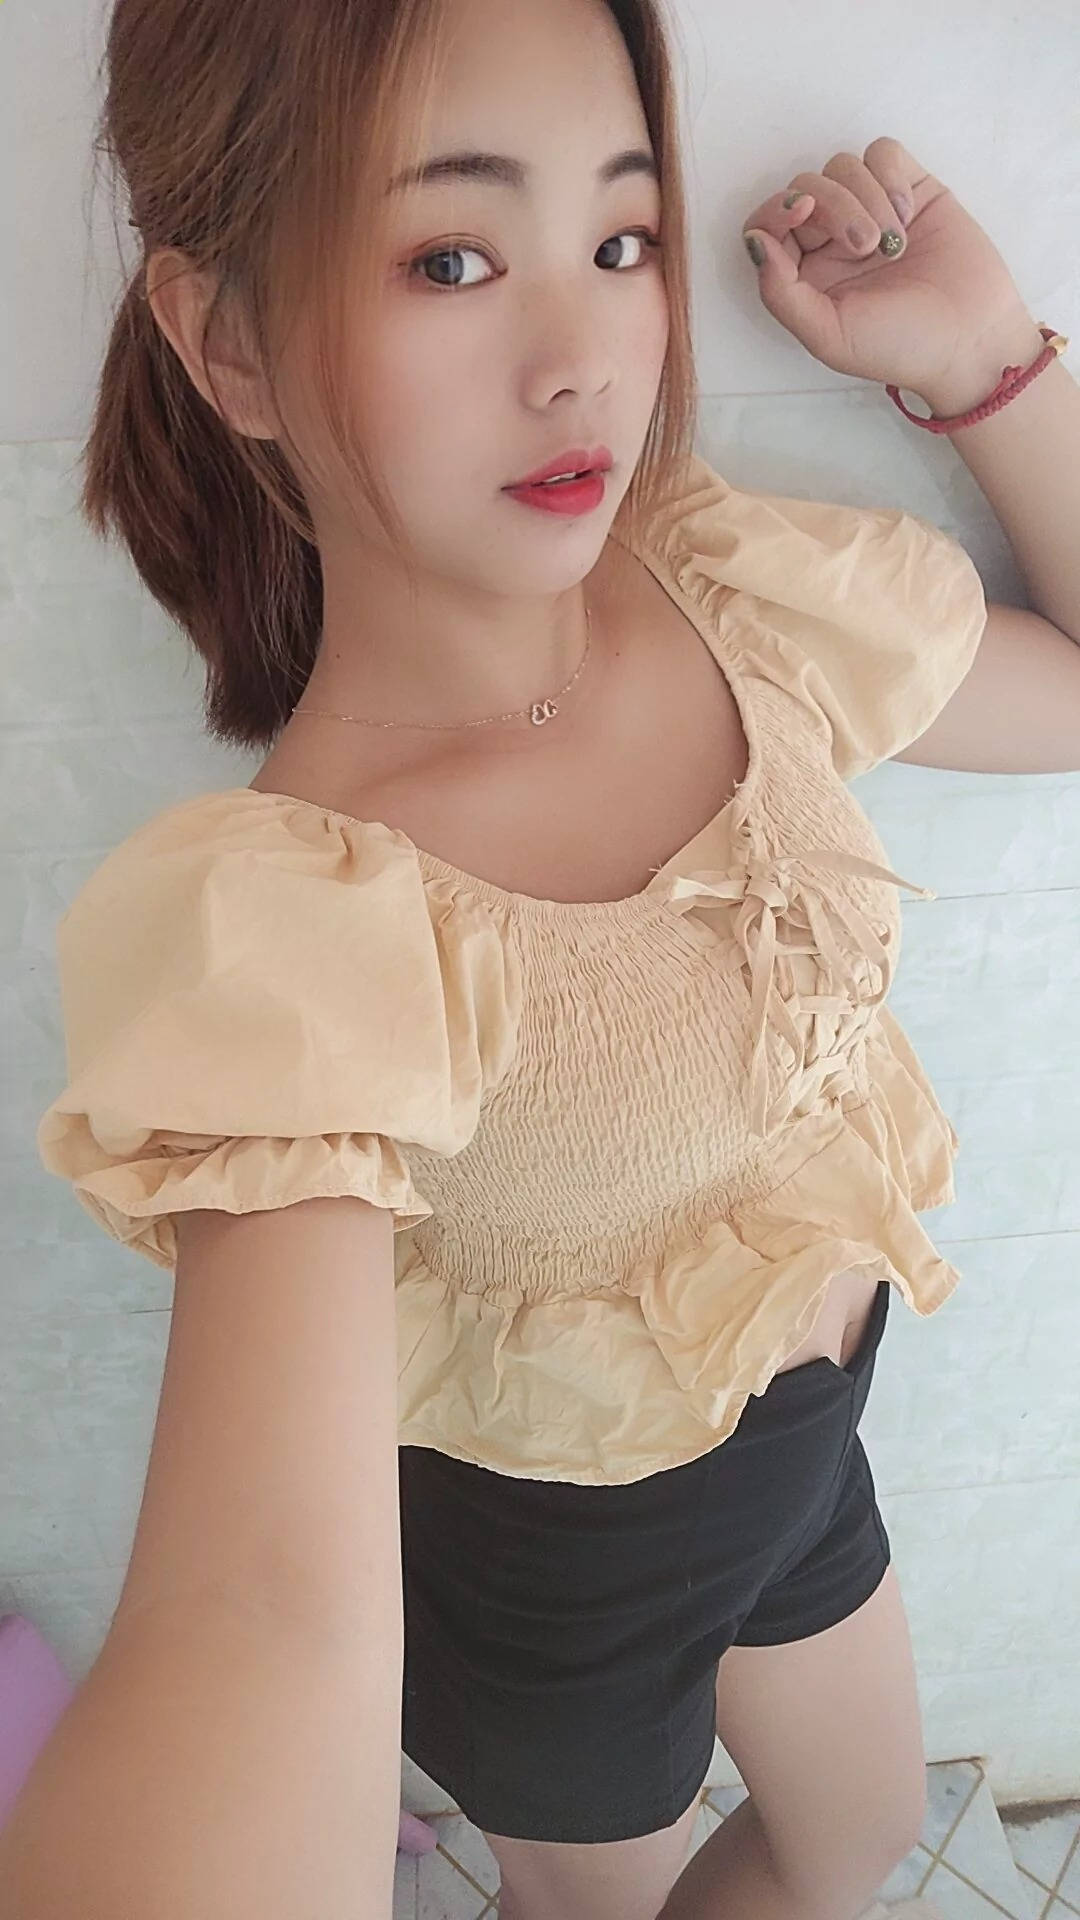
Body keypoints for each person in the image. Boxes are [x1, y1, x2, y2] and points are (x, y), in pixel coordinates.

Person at [15, 0, 1075, 1917]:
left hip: (810, 1447)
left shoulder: (728, 590)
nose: (583, 358)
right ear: (228, 339)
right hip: (556, 1586)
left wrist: (986, 358)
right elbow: (255, 1617)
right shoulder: (309, 919)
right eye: (451, 258)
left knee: (847, 1848)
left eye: (621, 237)